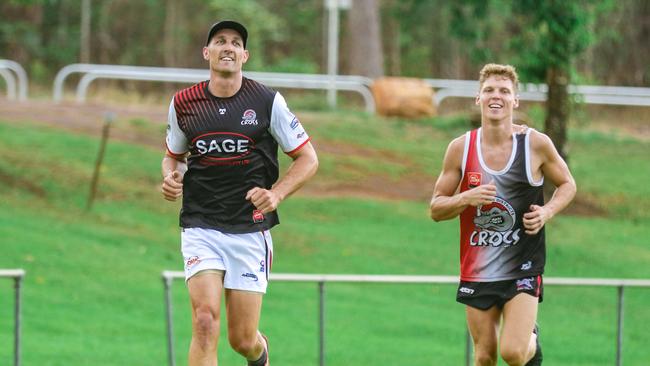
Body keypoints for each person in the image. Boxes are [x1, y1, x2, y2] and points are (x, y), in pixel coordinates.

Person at [161, 20, 318, 366]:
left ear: (244, 55)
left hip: (249, 229)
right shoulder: (184, 103)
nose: (227, 47)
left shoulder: (267, 101)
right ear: (207, 53)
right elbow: (174, 157)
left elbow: (308, 158)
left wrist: (276, 194)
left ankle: (259, 353)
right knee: (204, 322)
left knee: (242, 339)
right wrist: (171, 178)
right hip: (200, 225)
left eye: (235, 42)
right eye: (220, 41)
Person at [429, 64, 576, 366]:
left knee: (512, 352)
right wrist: (466, 198)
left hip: (523, 265)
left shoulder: (535, 144)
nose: (497, 96)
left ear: (515, 101)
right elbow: (436, 208)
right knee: (484, 357)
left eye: (504, 91)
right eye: (490, 90)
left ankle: (529, 339)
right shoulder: (460, 148)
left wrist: (547, 211)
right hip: (478, 269)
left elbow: (567, 185)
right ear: (478, 98)